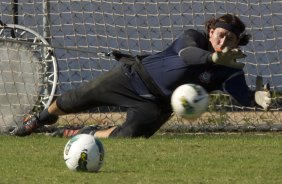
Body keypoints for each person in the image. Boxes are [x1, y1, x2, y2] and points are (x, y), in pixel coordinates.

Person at [10, 14, 271, 138]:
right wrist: (212, 58)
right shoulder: (193, 37)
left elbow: (241, 94)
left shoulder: (231, 67)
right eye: (221, 34)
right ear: (212, 30)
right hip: (132, 77)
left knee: (127, 137)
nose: (223, 40)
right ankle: (39, 120)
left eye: (230, 38)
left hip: (157, 105)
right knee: (76, 98)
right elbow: (186, 55)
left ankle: (83, 133)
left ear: (238, 42)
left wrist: (256, 98)